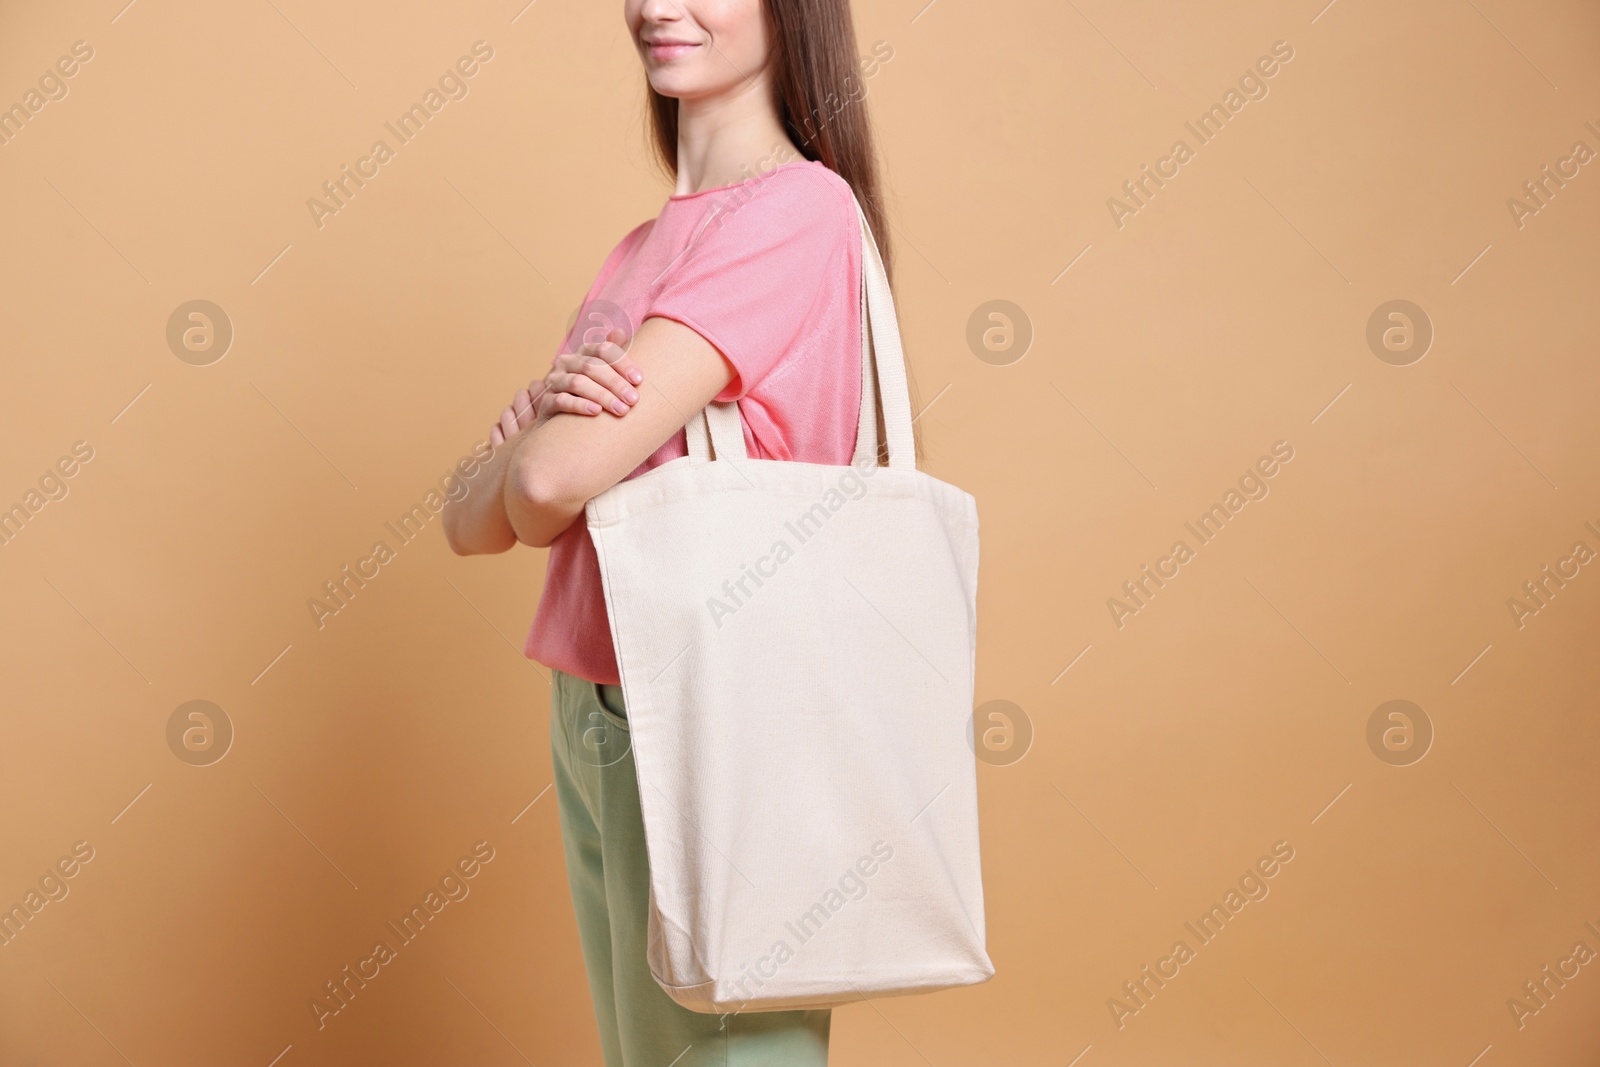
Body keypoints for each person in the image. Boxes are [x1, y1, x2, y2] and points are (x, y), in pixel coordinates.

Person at [442, 0, 910, 1062]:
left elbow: (546, 481)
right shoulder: (642, 249)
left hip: (710, 701)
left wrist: (535, 455)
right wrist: (531, 472)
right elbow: (468, 522)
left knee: (728, 1051)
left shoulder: (797, 212)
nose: (660, 5)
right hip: (596, 704)